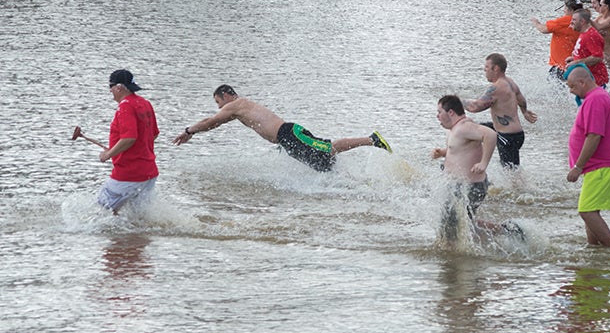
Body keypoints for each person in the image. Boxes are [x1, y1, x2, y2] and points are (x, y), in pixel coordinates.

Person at [172, 85, 391, 172]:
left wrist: (189, 131)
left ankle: (371, 139)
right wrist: (197, 132)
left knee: (328, 148)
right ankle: (355, 185)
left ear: (227, 95)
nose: (219, 107)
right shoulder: (238, 111)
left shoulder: (235, 105)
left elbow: (210, 120)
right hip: (287, 140)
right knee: (323, 166)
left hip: (289, 133)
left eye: (218, 102)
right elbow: (214, 124)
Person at [565, 64, 610, 247]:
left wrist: (578, 166)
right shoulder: (598, 96)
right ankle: (594, 250)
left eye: (572, 87)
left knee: (587, 212)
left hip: (603, 166)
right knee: (590, 211)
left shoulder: (595, 100)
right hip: (600, 167)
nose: (571, 91)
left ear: (582, 82)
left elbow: (594, 136)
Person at [432, 95, 501, 240]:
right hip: (459, 185)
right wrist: (443, 153)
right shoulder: (455, 129)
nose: (437, 116)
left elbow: (490, 135)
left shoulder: (464, 127)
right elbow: (460, 150)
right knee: (461, 223)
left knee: (451, 226)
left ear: (451, 112)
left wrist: (484, 163)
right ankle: (503, 232)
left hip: (469, 187)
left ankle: (454, 254)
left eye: (439, 112)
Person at [97, 69, 159, 214]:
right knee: (137, 219)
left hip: (129, 174)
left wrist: (108, 155)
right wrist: (117, 149)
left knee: (101, 211)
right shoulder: (145, 103)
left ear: (119, 87)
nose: (110, 91)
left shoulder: (125, 106)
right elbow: (153, 134)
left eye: (110, 87)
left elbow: (129, 138)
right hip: (149, 172)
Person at [462, 53, 538, 169]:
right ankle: (464, 162)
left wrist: (458, 101)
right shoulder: (510, 82)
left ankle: (519, 187)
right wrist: (525, 112)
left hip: (508, 137)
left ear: (496, 68)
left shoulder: (496, 88)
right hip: (512, 133)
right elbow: (521, 99)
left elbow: (475, 107)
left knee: (511, 174)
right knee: (470, 130)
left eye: (487, 67)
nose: (484, 70)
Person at [531, 0, 582, 81]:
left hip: (561, 64)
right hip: (577, 63)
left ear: (571, 10)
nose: (563, 10)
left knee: (553, 89)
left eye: (565, 8)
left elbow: (544, 29)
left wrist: (536, 22)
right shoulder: (584, 21)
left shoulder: (564, 21)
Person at [565, 9, 609, 88]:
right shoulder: (584, 33)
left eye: (574, 20)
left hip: (594, 81)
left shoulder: (591, 35)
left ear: (582, 22)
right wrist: (574, 58)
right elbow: (587, 53)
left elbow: (598, 57)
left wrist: (576, 62)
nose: (571, 22)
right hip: (585, 80)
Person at [592, 0, 610, 66]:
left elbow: (598, 27)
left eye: (600, 5)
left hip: (608, 54)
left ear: (606, 7)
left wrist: (586, 17)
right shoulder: (600, 17)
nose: (599, 6)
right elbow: (591, 28)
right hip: (600, 52)